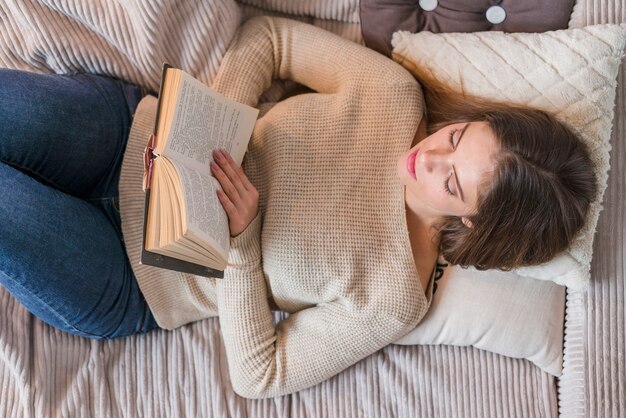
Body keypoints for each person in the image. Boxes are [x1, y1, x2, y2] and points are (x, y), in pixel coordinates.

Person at [0, 16, 596, 399]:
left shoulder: (393, 299)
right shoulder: (392, 95)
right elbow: (270, 40)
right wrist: (211, 130)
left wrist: (241, 243)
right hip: (124, 135)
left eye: (454, 182)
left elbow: (261, 377)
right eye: (458, 136)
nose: (431, 156)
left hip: (128, 276)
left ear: (469, 223)